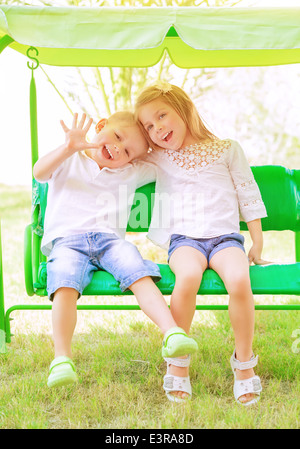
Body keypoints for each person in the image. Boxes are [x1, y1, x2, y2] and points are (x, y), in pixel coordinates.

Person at [33, 111, 198, 388]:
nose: (118, 148)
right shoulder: (70, 159)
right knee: (64, 282)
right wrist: (68, 146)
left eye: (128, 150)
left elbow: (167, 161)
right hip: (67, 241)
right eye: (117, 137)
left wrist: (152, 142)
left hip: (110, 241)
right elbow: (39, 172)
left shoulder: (131, 171)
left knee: (136, 270)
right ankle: (61, 359)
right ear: (100, 126)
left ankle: (171, 332)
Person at [135, 81, 269, 405]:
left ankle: (244, 364)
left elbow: (247, 193)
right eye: (149, 126)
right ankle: (178, 363)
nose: (157, 129)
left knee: (239, 279)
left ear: (184, 108)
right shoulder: (159, 158)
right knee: (188, 278)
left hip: (225, 239)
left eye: (162, 116)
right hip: (185, 241)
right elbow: (125, 156)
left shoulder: (228, 149)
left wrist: (257, 242)